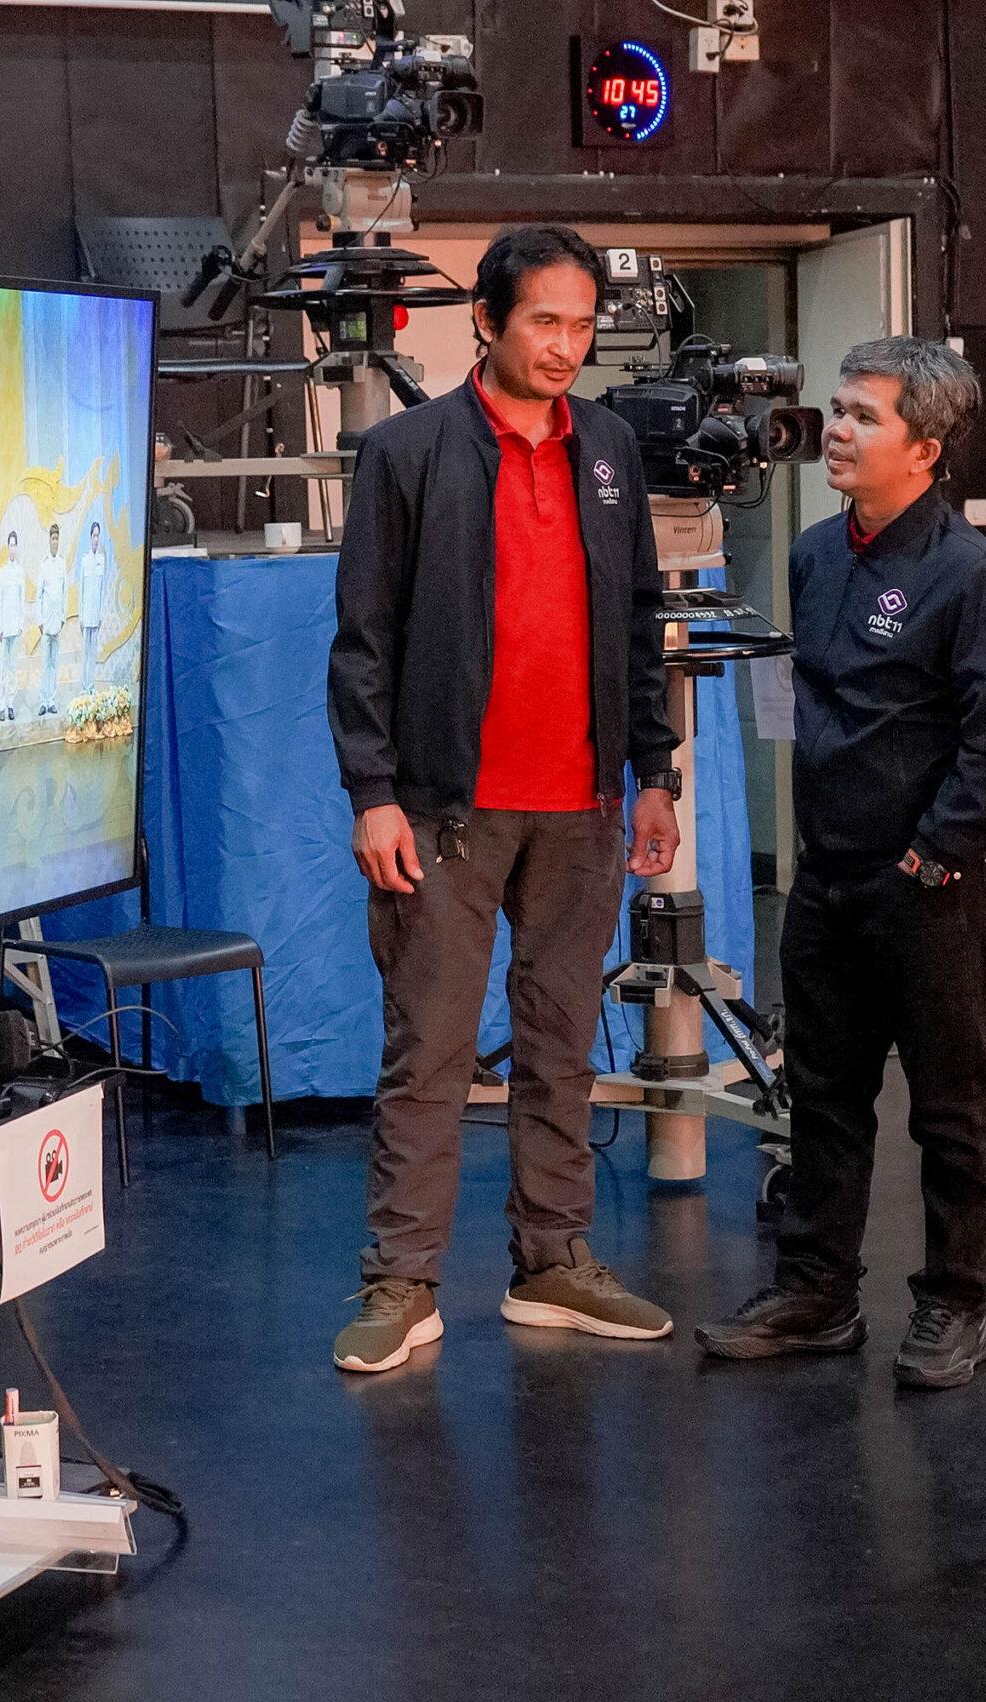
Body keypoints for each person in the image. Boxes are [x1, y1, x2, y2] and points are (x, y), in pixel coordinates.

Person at [325, 224, 680, 1375]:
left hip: (582, 808)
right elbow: (362, 641)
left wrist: (655, 773)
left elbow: (638, 619)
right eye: (544, 322)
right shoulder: (405, 452)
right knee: (427, 1053)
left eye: (581, 325)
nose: (566, 346)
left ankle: (552, 1261)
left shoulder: (610, 447)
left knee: (561, 1045)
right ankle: (402, 1280)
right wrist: (373, 795)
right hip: (445, 813)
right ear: (486, 321)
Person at [695, 337, 986, 1388]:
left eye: (862, 416)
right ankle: (816, 1293)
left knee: (951, 1108)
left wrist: (933, 861)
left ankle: (953, 1306)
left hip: (929, 888)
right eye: (837, 409)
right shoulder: (813, 554)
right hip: (829, 881)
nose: (835, 430)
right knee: (822, 1098)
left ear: (925, 448)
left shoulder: (976, 580)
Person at [34, 521, 69, 716]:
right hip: (46, 622)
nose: (55, 542)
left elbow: (65, 593)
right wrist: (40, 620)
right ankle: (43, 700)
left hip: (57, 622)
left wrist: (63, 618)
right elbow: (39, 595)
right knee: (44, 664)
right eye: (52, 538)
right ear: (49, 540)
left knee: (54, 663)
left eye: (57, 539)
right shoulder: (44, 564)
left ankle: (52, 700)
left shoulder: (62, 564)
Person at [0, 527, 28, 723]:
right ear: (7, 547)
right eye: (11, 545)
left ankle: (11, 704)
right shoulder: (3, 571)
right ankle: (1, 704)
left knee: (13, 668)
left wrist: (21, 624)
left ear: (17, 547)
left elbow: (22, 600)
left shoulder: (20, 571)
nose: (13, 548)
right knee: (3, 668)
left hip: (15, 627)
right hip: (4, 628)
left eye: (15, 545)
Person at [78, 519, 110, 690]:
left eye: (98, 536)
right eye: (94, 536)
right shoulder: (85, 561)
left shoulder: (102, 560)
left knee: (93, 653)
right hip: (86, 615)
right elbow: (81, 591)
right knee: (85, 654)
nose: (96, 539)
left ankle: (90, 687)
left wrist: (101, 615)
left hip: (96, 615)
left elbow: (102, 590)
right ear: (90, 537)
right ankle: (84, 687)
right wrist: (81, 617)